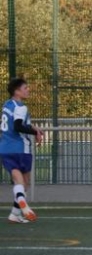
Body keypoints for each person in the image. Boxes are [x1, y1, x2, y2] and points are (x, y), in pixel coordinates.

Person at [1, 78, 43, 223]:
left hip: (5, 148)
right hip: (20, 148)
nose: (28, 90)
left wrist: (33, 127)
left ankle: (14, 214)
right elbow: (18, 126)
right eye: (25, 88)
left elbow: (16, 123)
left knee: (17, 180)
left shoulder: (7, 105)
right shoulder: (21, 107)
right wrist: (35, 132)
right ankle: (22, 203)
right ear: (17, 91)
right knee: (24, 183)